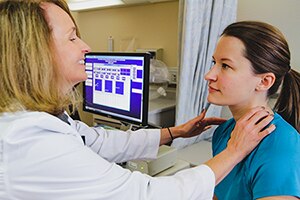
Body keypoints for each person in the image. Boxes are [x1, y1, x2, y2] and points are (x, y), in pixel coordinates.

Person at [0, 1, 275, 199]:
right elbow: (145, 194)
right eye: (72, 38)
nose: (85, 47)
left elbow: (96, 141)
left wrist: (175, 132)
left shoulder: (277, 144)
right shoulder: (27, 138)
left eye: (225, 65)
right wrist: (234, 151)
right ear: (33, 54)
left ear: (265, 81)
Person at [205, 21, 300, 200]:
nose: (209, 75)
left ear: (264, 81)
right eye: (214, 62)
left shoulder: (282, 145)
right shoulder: (223, 132)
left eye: (225, 66)